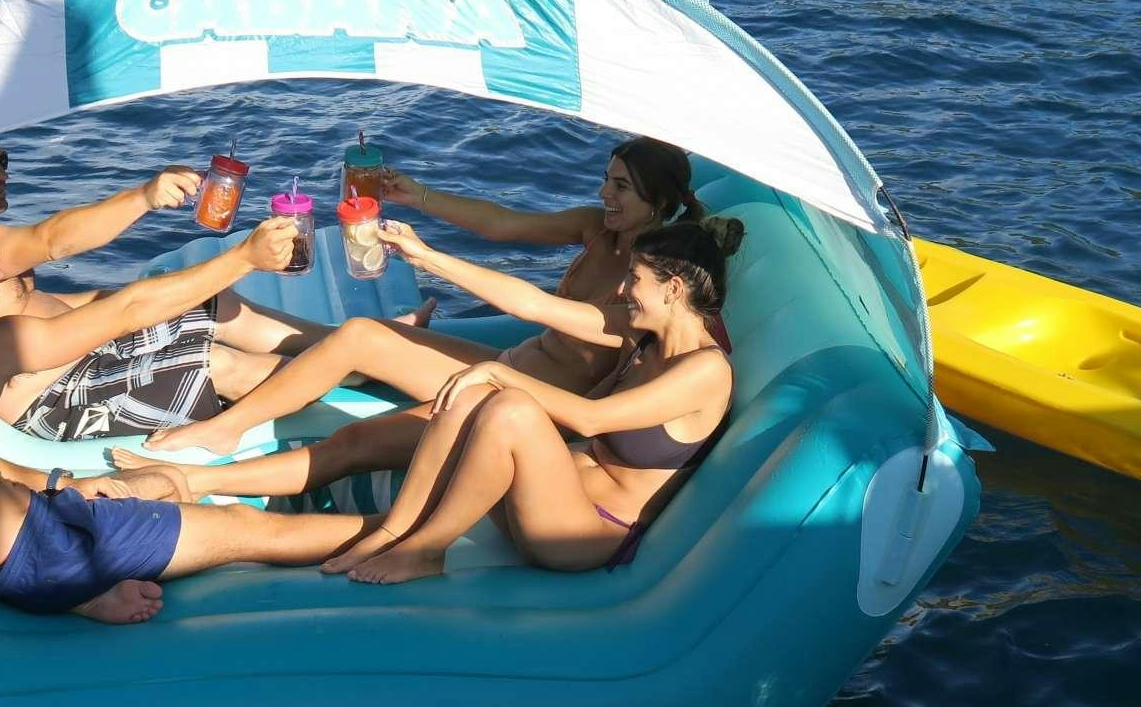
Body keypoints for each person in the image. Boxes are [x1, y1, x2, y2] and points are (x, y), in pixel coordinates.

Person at [118, 215, 747, 586]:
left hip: (581, 532)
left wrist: (496, 379)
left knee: (506, 407)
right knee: (444, 412)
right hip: (541, 491)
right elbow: (528, 303)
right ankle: (391, 530)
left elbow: (588, 418)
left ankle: (425, 550)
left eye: (635, 282)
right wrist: (428, 256)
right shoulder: (638, 334)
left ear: (672, 288)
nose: (626, 292)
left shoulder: (703, 372)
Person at [0, 207, 381, 624]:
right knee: (246, 529)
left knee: (157, 486)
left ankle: (86, 590)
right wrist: (243, 258)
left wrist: (64, 483)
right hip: (39, 555)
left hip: (3, 547)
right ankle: (404, 534)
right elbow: (128, 312)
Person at [142, 136, 704, 456]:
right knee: (372, 338)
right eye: (606, 179)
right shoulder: (595, 228)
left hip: (529, 401)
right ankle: (235, 326)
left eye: (621, 187)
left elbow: (532, 306)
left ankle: (227, 427)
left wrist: (429, 257)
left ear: (657, 202)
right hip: (507, 363)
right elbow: (501, 224)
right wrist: (419, 196)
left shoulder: (650, 286)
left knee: (362, 336)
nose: (605, 193)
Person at [0, 135, 414, 440]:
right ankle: (364, 369)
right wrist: (144, 196)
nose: (1, 175)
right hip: (52, 397)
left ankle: (348, 343)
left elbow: (35, 305)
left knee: (208, 300)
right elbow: (54, 240)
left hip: (74, 351)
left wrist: (110, 302)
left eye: (3, 161)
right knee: (216, 364)